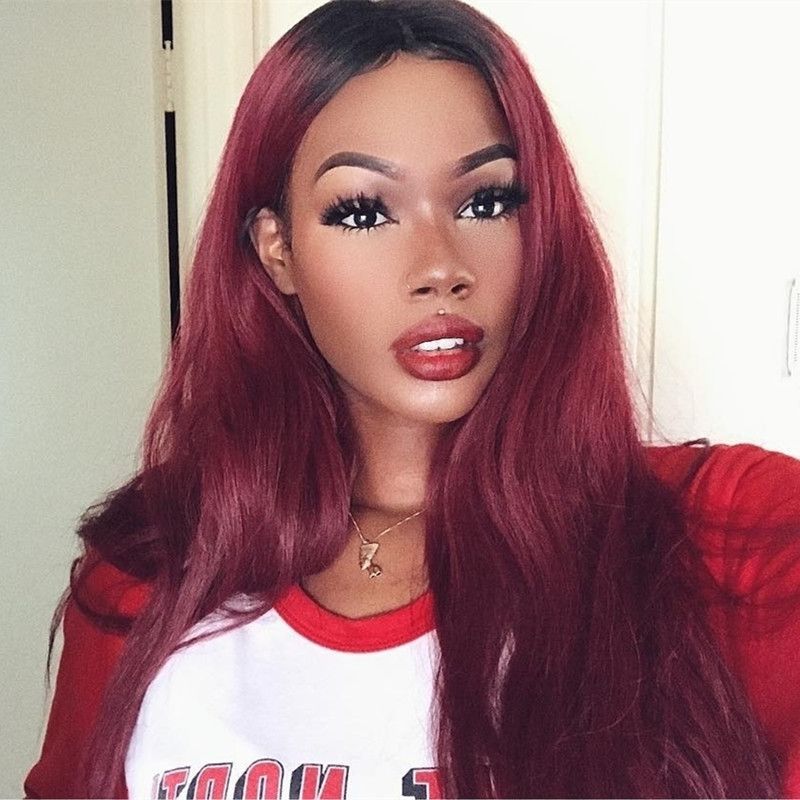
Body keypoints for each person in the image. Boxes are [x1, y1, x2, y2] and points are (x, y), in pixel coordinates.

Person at [24, 1, 800, 798]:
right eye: (364, 212)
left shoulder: (732, 538)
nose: (439, 267)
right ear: (278, 250)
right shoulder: (154, 566)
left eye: (485, 203)